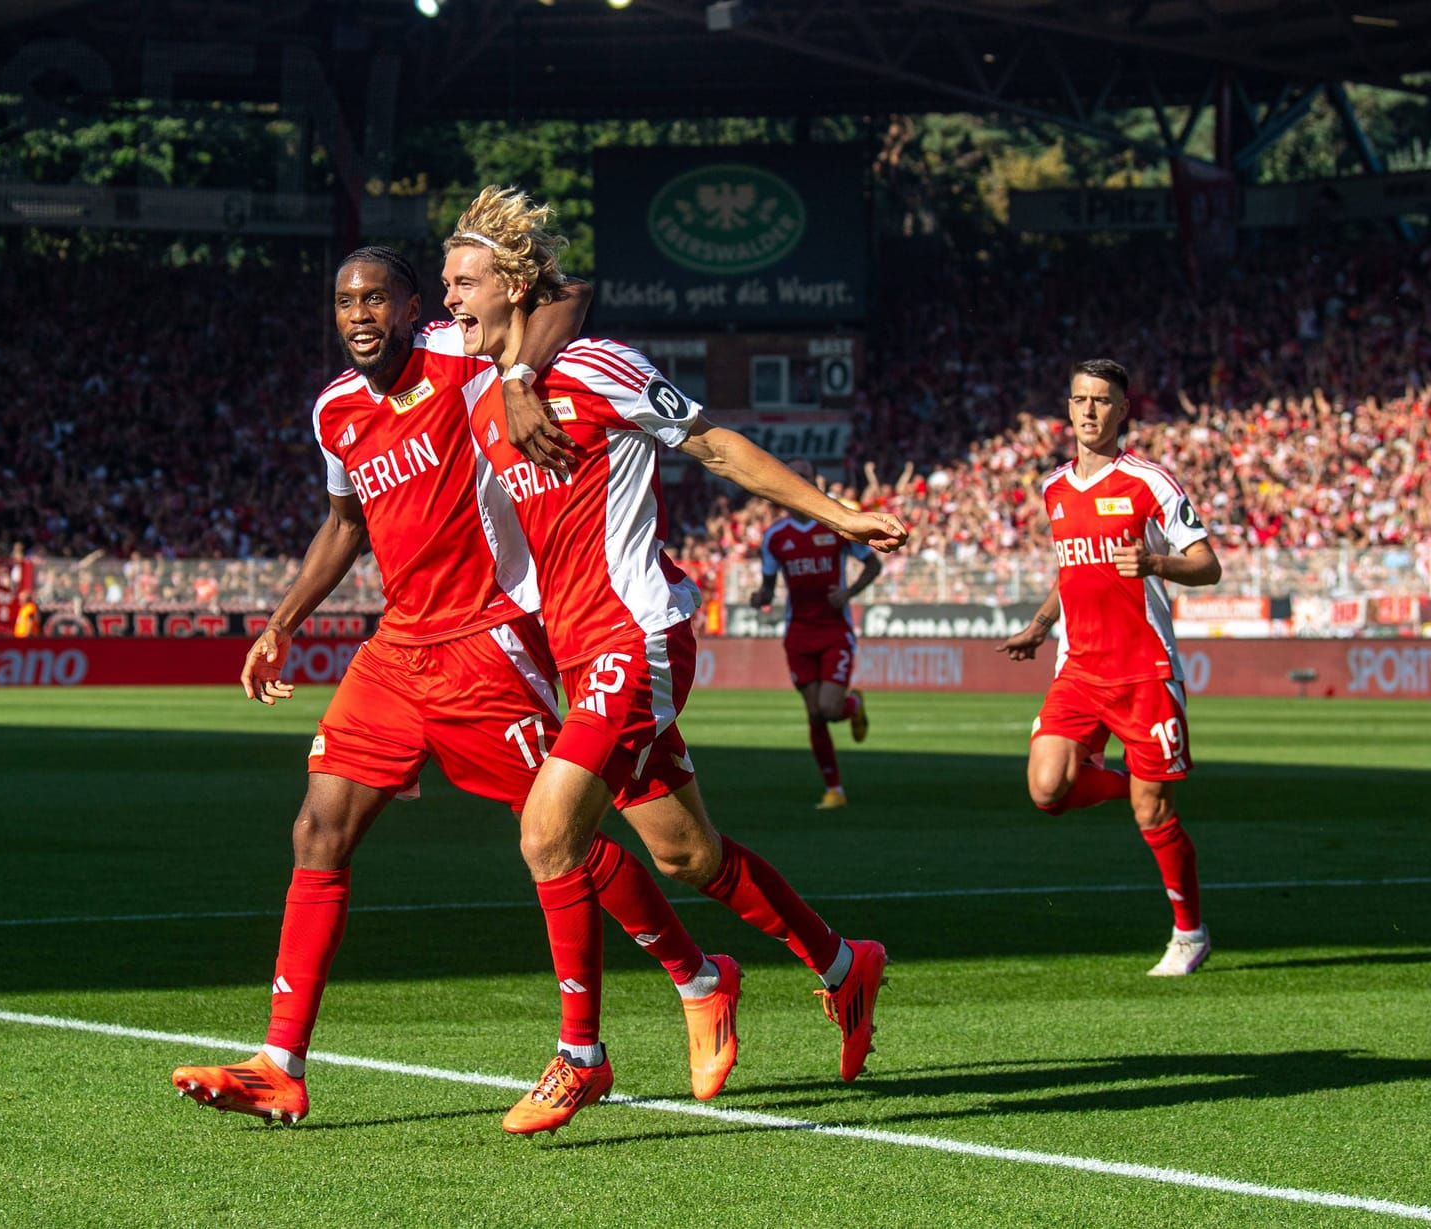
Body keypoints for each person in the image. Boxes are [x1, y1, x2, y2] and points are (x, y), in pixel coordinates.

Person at [170, 247, 741, 1128]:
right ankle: (280, 1062)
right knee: (318, 825)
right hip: (397, 648)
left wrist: (517, 372)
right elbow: (343, 525)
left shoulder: (459, 352)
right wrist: (282, 621)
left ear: (410, 307)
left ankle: (694, 975)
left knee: (560, 838)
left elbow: (571, 295)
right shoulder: (335, 412)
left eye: (376, 299)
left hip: (491, 642)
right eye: (344, 301)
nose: (359, 315)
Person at [448, 186, 910, 1134]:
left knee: (547, 834)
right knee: (687, 852)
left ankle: (582, 1054)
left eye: (464, 281)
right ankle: (840, 964)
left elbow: (715, 446)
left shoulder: (598, 365)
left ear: (515, 285)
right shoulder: (479, 385)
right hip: (576, 652)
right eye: (446, 282)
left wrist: (837, 513)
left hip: (639, 636)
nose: (447, 299)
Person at [995, 359, 1221, 976]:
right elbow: (1072, 573)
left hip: (1145, 668)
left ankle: (1189, 932)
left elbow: (1208, 565)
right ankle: (1140, 786)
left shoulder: (1152, 482)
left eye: (1102, 400)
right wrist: (1041, 627)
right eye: (1079, 399)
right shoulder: (1054, 488)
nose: (1089, 410)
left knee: (1155, 816)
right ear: (1068, 408)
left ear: (1124, 410)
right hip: (1079, 668)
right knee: (1046, 789)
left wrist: (1156, 564)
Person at [749, 459, 883, 810]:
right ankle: (834, 789)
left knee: (828, 707)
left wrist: (848, 593)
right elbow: (767, 586)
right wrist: (760, 597)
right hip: (798, 633)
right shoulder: (775, 537)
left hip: (834, 629)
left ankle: (852, 705)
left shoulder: (836, 526)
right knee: (814, 714)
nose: (798, 482)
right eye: (792, 476)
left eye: (804, 477)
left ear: (815, 482)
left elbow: (873, 563)